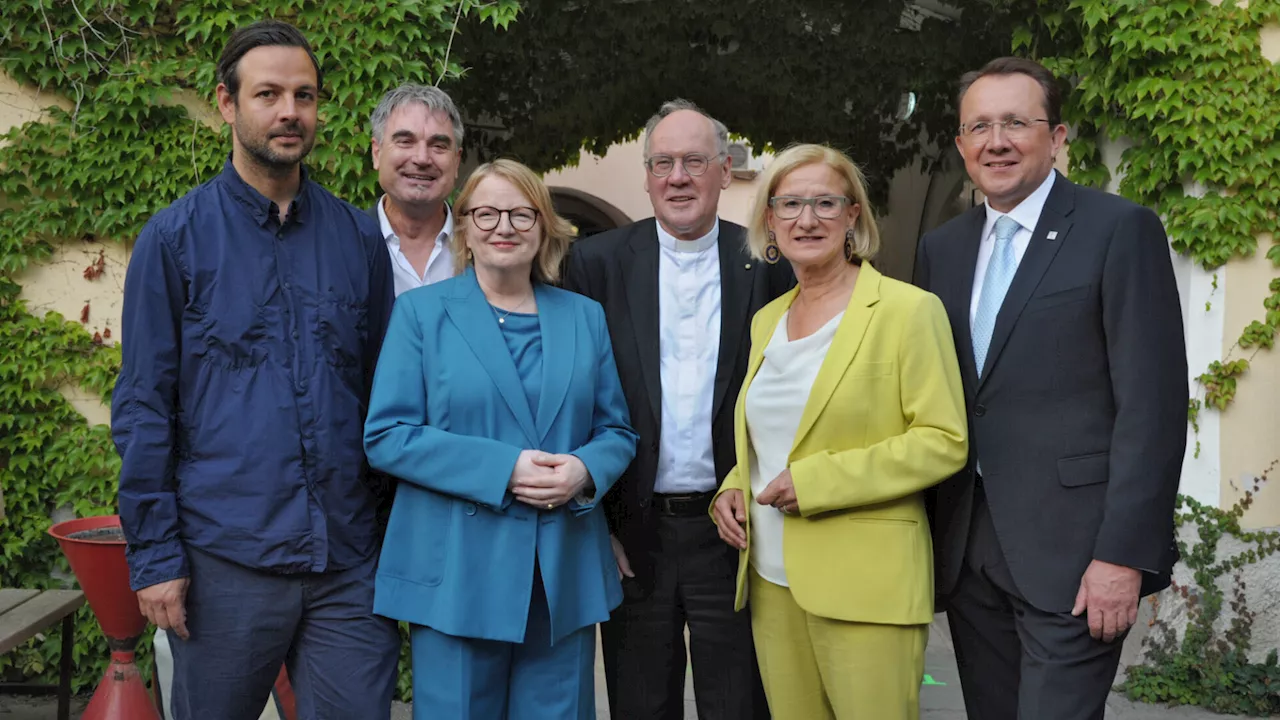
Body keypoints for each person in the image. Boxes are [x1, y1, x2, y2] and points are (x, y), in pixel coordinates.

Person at [112, 20, 399, 720]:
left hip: (347, 566)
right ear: (226, 104)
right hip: (224, 565)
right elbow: (144, 405)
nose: (289, 111)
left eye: (304, 95)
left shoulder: (358, 237)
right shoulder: (174, 240)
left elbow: (385, 395)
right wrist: (156, 557)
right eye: (267, 93)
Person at [913, 56, 1189, 720]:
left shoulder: (1119, 230)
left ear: (1058, 137)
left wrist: (1123, 555)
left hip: (1076, 556)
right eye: (979, 126)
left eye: (1016, 122)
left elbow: (1151, 408)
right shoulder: (941, 250)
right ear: (960, 144)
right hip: (969, 549)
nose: (996, 141)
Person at [364, 158, 638, 720]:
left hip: (560, 572)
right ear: (464, 225)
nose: (504, 226)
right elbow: (387, 435)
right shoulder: (420, 314)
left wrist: (586, 470)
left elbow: (616, 430)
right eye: (486, 213)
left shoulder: (584, 317)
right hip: (458, 573)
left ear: (543, 227)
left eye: (521, 213)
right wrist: (504, 468)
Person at [709, 143, 968, 719]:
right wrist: (734, 482)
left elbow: (943, 440)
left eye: (825, 202)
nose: (807, 219)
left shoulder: (908, 311)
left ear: (853, 215)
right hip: (771, 580)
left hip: (867, 583)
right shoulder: (767, 320)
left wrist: (820, 482)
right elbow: (769, 432)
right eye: (791, 204)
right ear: (770, 219)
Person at [562, 99, 792, 720]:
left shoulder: (770, 264)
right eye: (662, 163)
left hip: (737, 533)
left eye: (694, 161)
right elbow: (572, 398)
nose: (678, 177)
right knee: (639, 704)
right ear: (646, 176)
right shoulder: (597, 264)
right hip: (634, 534)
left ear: (724, 170)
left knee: (742, 703)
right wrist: (596, 521)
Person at [369, 83, 463, 297]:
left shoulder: (483, 247)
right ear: (377, 153)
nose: (422, 158)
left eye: (438, 146)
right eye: (405, 142)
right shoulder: (343, 244)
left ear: (456, 161)